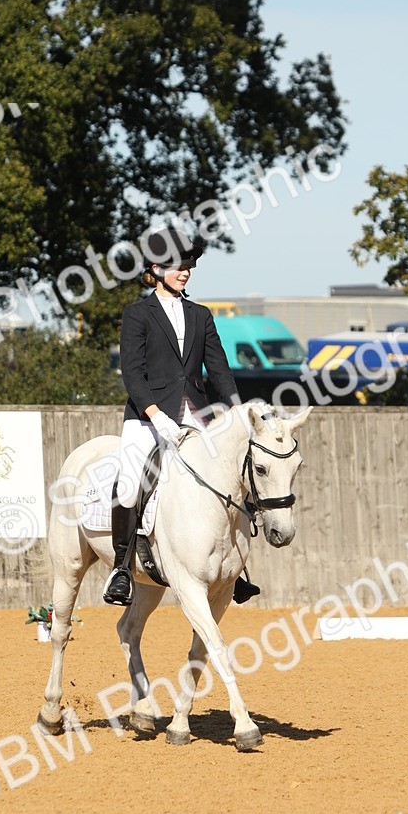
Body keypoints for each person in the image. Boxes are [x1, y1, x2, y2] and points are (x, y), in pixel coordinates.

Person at [102, 225, 260, 607]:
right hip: (147, 416)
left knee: (232, 475)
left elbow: (218, 369)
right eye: (177, 266)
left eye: (189, 265)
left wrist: (238, 411)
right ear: (155, 269)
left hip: (196, 414)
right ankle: (122, 569)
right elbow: (133, 372)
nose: (185, 271)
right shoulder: (138, 314)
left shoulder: (201, 315)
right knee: (128, 481)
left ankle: (236, 570)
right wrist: (154, 414)